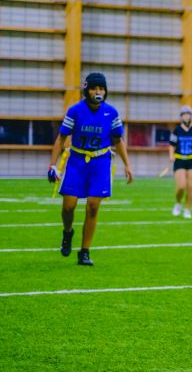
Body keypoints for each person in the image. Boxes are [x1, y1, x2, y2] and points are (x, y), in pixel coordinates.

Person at [47, 73, 134, 266]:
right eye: (94, 88)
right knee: (68, 206)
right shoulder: (75, 110)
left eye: (101, 88)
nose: (98, 92)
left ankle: (84, 251)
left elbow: (118, 141)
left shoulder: (111, 112)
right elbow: (61, 138)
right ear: (87, 90)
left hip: (100, 163)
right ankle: (68, 232)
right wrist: (53, 165)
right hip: (77, 161)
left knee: (93, 207)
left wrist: (128, 165)